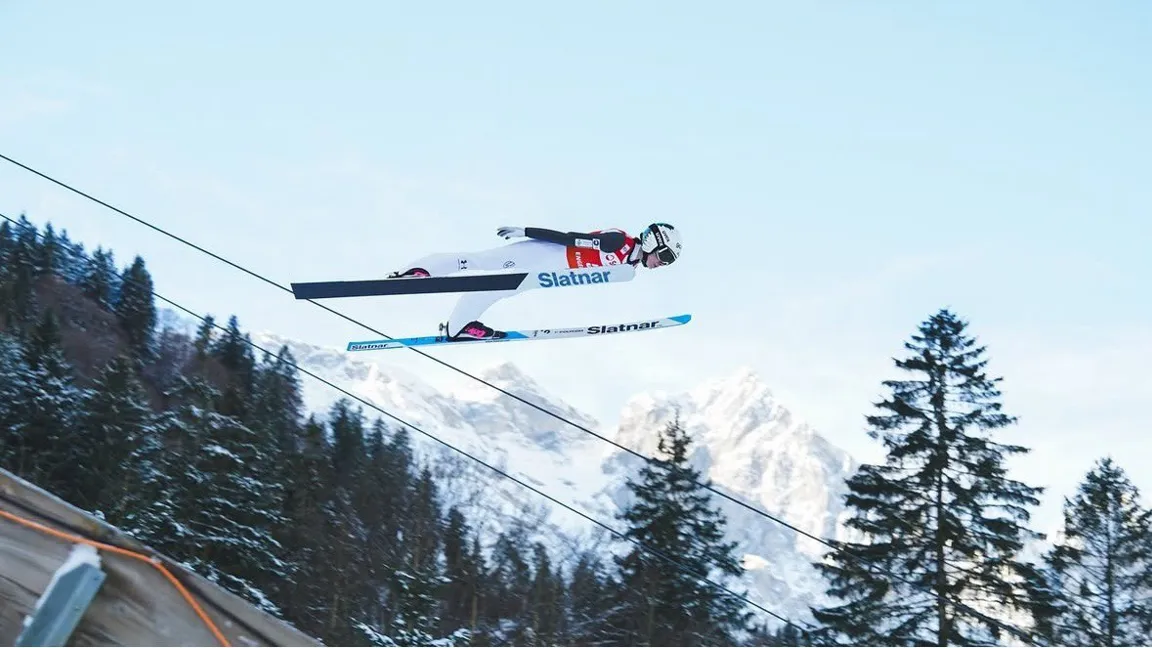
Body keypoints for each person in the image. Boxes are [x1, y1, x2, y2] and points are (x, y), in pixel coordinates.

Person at [388, 222, 683, 340]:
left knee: (494, 290)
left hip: (548, 274)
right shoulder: (618, 242)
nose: (662, 264)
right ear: (652, 242)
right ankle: (418, 271)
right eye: (665, 256)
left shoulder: (626, 268)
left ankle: (459, 327)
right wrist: (527, 231)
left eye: (669, 262)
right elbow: (569, 238)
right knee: (481, 262)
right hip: (542, 254)